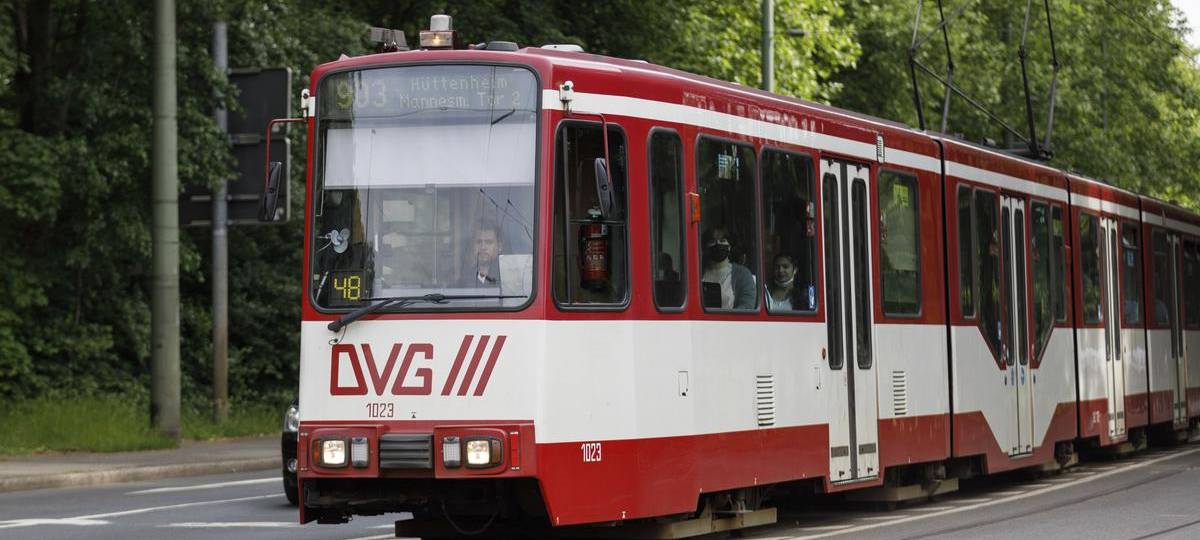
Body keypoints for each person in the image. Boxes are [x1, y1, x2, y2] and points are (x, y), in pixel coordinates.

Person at [701, 226, 755, 309]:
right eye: (712, 241)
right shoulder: (698, 273)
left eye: (722, 241)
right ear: (706, 247)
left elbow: (747, 305)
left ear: (729, 246)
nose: (718, 244)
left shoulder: (743, 274)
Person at [461, 222, 503, 287]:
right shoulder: (463, 280)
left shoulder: (505, 277)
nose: (483, 247)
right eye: (478, 242)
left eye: (489, 242)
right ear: (473, 246)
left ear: (499, 247)